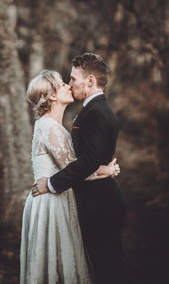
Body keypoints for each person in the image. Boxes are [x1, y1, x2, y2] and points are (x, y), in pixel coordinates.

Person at [31, 53, 127, 283]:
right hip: (92, 202)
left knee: (107, 270)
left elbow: (88, 161)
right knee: (102, 268)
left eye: (73, 79)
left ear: (90, 80)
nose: (70, 83)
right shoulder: (90, 110)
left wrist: (52, 183)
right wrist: (106, 169)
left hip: (100, 205)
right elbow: (88, 161)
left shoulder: (97, 113)